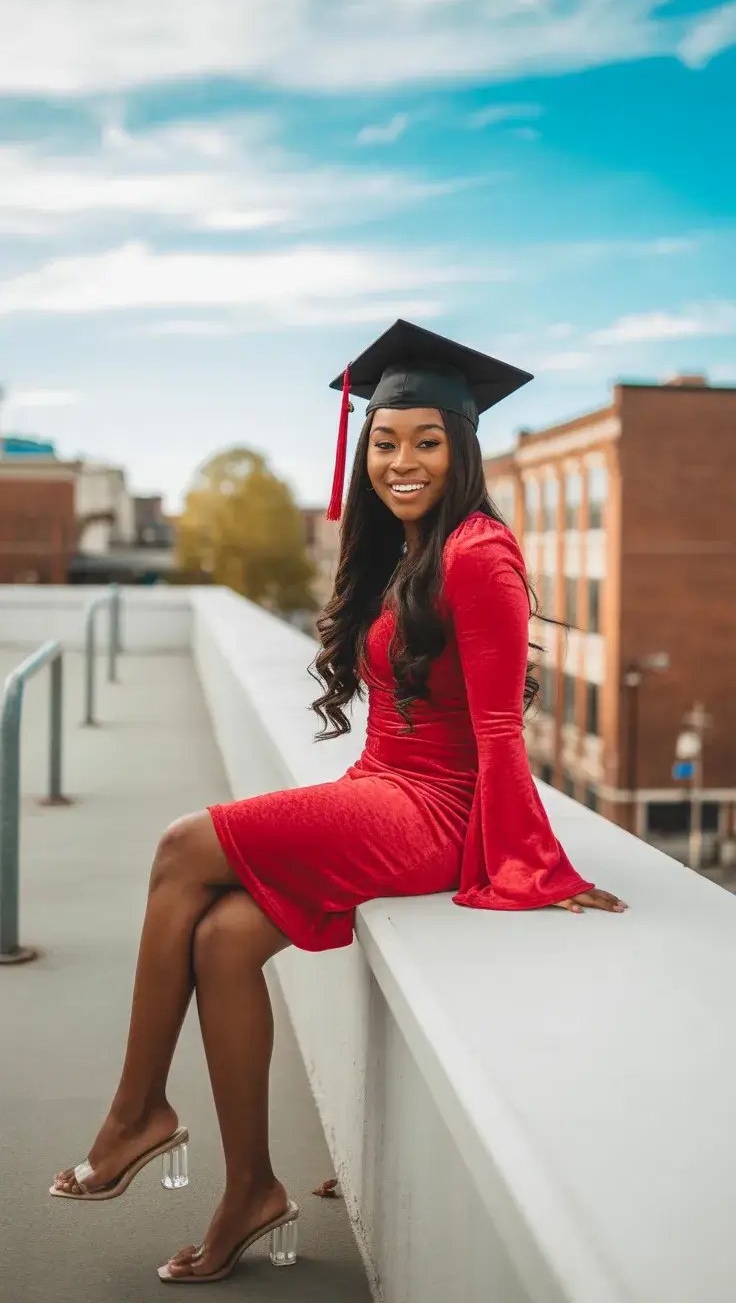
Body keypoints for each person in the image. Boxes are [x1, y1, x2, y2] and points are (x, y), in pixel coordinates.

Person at [49, 320, 627, 1283]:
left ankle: (137, 1113)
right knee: (226, 940)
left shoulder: (478, 554)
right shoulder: (409, 548)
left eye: (427, 442)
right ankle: (250, 1191)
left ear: (462, 448)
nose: (401, 462)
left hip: (437, 813)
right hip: (382, 788)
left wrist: (534, 865)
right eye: (386, 442)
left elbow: (493, 735)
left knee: (182, 846)